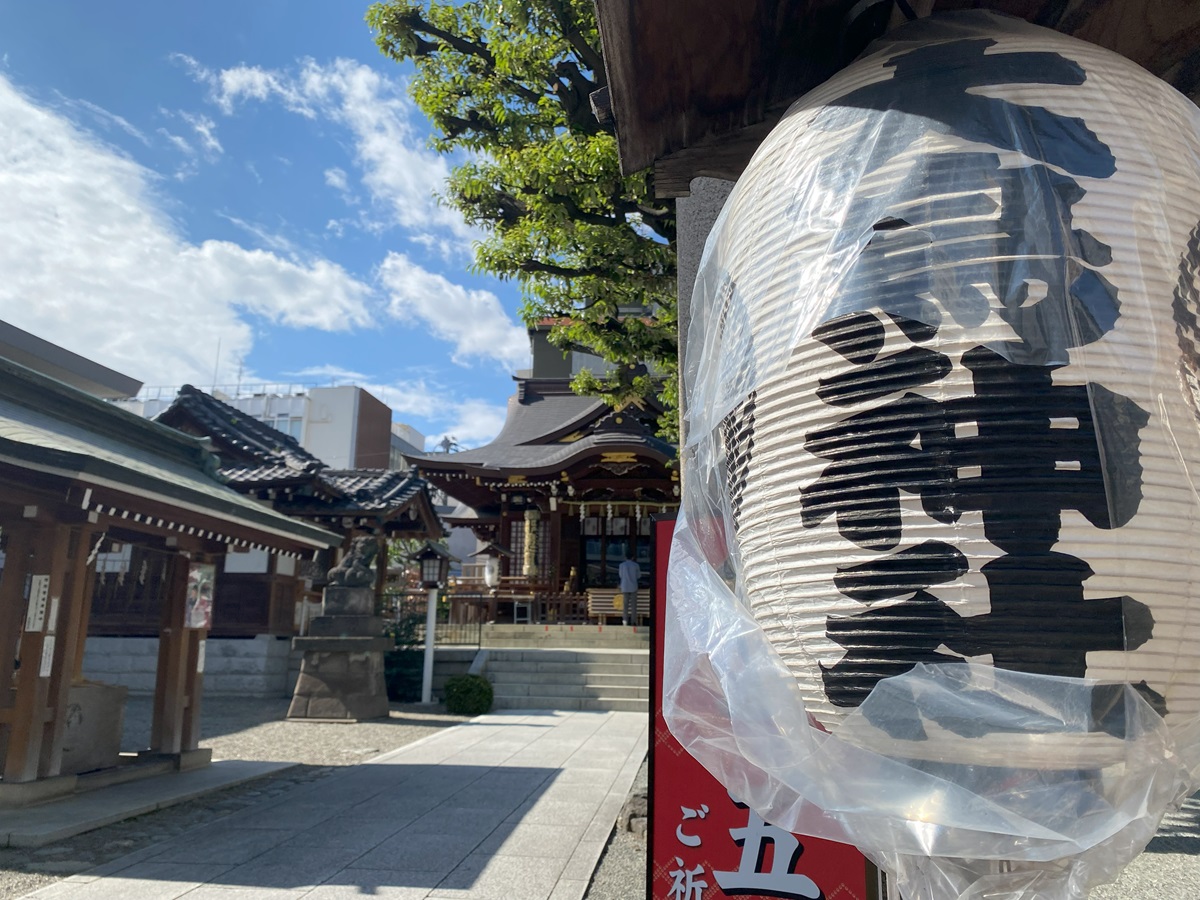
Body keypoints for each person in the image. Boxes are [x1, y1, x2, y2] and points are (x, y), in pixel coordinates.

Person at [618, 552, 641, 626]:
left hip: (624, 586)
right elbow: (638, 576)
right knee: (633, 605)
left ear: (625, 557)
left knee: (625, 605)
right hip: (633, 586)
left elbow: (620, 575)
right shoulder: (636, 565)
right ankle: (633, 621)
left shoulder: (621, 565)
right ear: (632, 557)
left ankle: (625, 620)